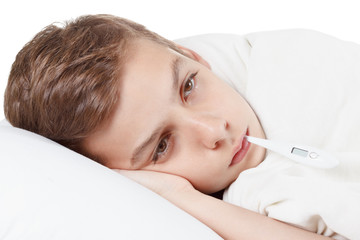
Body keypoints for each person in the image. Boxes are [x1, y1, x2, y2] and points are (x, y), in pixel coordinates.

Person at [4, 14, 337, 239]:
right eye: (161, 146)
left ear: (191, 56)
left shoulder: (296, 68)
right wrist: (177, 196)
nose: (215, 130)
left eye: (189, 87)